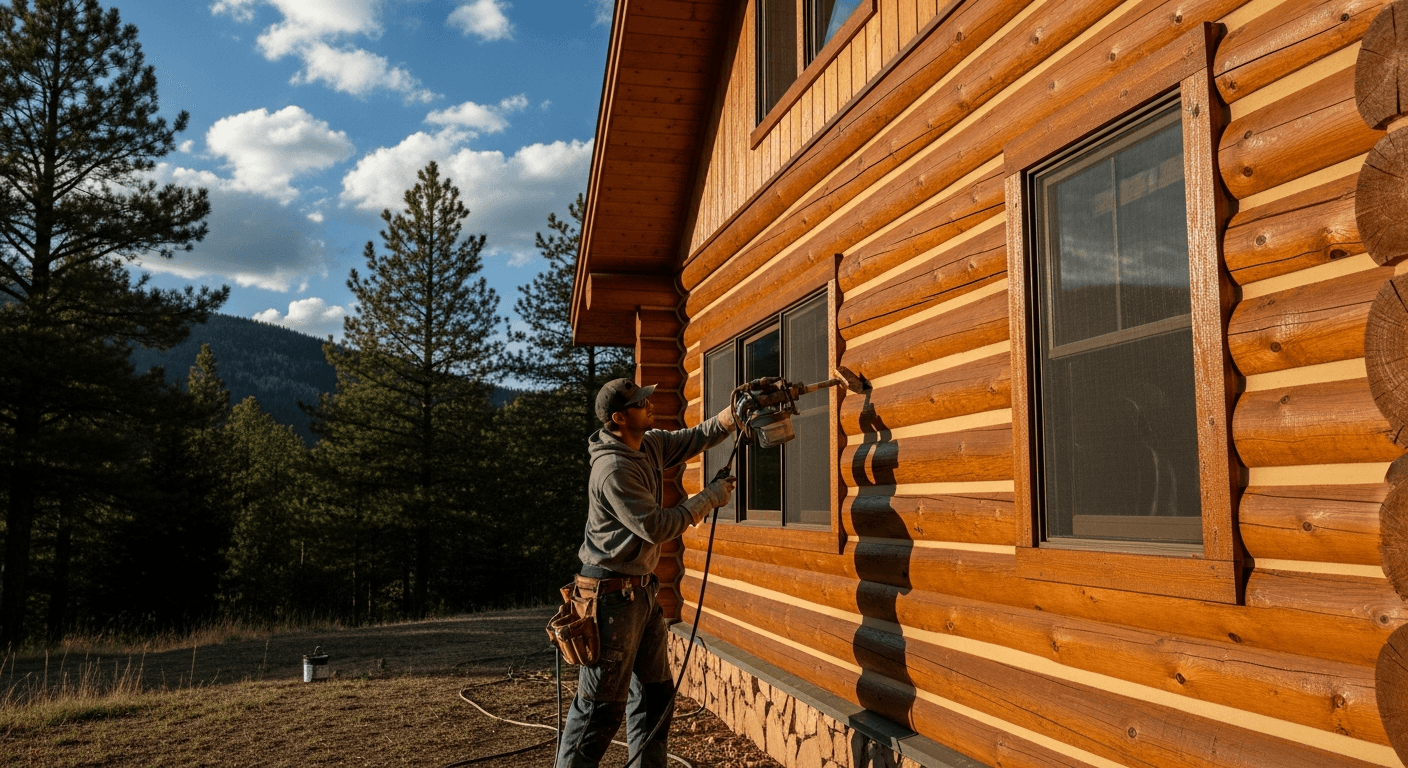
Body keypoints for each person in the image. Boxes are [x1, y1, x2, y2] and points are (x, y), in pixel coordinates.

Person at [553, 378, 739, 768]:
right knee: (598, 712)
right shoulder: (613, 468)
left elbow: (694, 438)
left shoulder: (648, 444)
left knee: (655, 699)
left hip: (640, 593)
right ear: (619, 417)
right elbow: (655, 526)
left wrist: (733, 414)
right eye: (640, 403)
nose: (649, 404)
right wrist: (710, 497)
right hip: (608, 598)